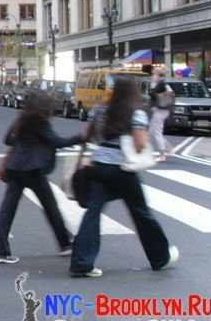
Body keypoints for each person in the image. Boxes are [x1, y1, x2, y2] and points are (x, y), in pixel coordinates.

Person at [70, 77, 179, 278]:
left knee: (92, 213)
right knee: (141, 213)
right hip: (123, 170)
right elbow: (139, 144)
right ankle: (160, 257)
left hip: (99, 166)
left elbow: (88, 135)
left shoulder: (100, 109)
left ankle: (81, 263)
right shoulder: (135, 112)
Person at [0, 90, 83, 265]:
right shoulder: (40, 121)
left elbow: (8, 140)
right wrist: (80, 138)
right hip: (33, 169)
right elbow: (57, 142)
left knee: (7, 210)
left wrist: (24, 142)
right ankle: (64, 243)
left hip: (15, 168)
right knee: (50, 207)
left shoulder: (21, 118)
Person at [149, 70, 173, 162]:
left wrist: (153, 84)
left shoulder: (160, 84)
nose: (152, 76)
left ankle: (162, 155)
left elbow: (151, 94)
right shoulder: (165, 84)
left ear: (158, 76)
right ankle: (168, 147)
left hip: (160, 110)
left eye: (154, 74)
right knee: (152, 131)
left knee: (157, 132)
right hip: (163, 110)